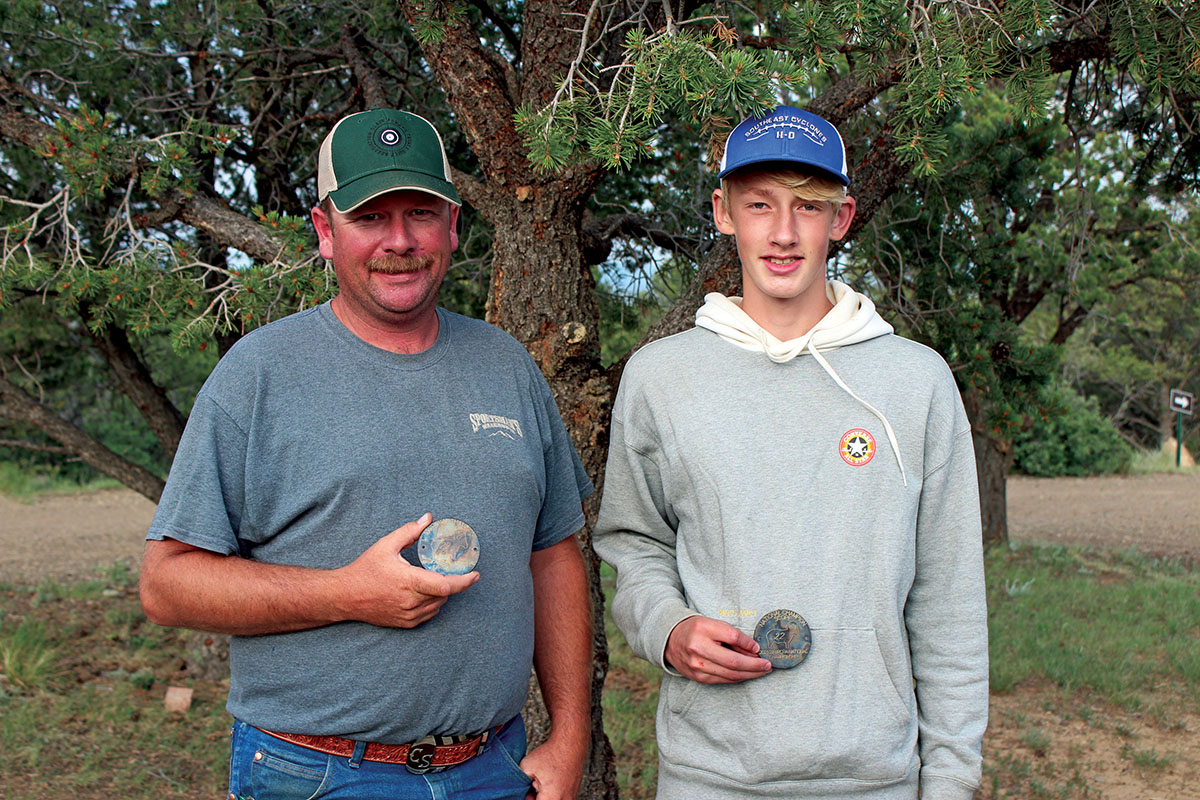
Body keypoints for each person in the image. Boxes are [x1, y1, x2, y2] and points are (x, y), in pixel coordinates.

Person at [140, 107, 593, 800]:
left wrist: (568, 738)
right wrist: (346, 594)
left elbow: (553, 553)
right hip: (316, 773)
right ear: (326, 231)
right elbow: (166, 584)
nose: (400, 241)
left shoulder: (507, 366)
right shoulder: (259, 375)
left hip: (493, 771)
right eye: (371, 218)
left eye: (420, 212)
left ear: (453, 225)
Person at [593, 106, 988, 799]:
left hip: (876, 781)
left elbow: (948, 602)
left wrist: (951, 780)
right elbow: (634, 543)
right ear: (723, 212)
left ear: (842, 218)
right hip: (707, 776)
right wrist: (668, 626)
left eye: (808, 206)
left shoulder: (916, 382)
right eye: (759, 204)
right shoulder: (660, 377)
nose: (782, 232)